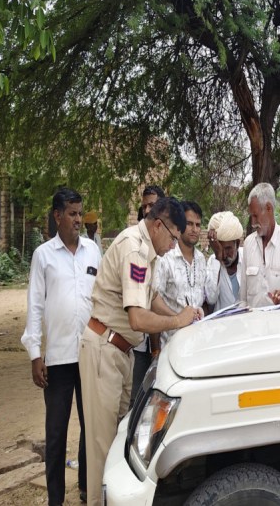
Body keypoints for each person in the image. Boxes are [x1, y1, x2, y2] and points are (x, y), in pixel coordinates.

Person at [79, 197, 200, 506]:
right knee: (102, 450)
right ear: (158, 225)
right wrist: (175, 320)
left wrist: (181, 317)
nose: (175, 246)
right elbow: (137, 316)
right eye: (173, 237)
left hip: (120, 353)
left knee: (119, 446)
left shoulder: (150, 250)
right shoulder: (135, 249)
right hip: (104, 350)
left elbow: (152, 297)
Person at [21, 188, 101, 506]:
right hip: (56, 360)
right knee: (55, 434)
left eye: (80, 213)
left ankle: (85, 486)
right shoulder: (43, 255)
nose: (78, 219)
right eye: (72, 213)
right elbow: (35, 307)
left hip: (90, 355)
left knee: (91, 426)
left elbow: (104, 298)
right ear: (57, 216)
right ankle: (55, 499)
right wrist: (35, 354)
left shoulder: (94, 251)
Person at [153, 201, 215, 348]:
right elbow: (153, 303)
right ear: (180, 225)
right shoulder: (165, 257)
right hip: (170, 345)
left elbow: (203, 302)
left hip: (197, 346)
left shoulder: (201, 259)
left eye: (198, 225)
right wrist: (155, 351)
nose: (194, 229)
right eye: (189, 223)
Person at [241, 183, 280, 307]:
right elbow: (243, 298)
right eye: (251, 216)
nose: (252, 223)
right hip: (253, 323)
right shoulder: (248, 243)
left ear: (269, 208)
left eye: (255, 216)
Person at [132, 184, 165, 404]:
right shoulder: (135, 246)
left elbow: (154, 297)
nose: (147, 210)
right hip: (136, 344)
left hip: (159, 344)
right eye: (144, 206)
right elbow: (142, 308)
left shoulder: (163, 247)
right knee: (133, 405)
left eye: (152, 205)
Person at [206, 211, 244, 311]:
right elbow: (211, 298)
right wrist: (217, 257)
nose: (224, 255)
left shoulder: (247, 257)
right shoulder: (213, 262)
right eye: (219, 249)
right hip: (221, 324)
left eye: (228, 249)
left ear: (238, 243)